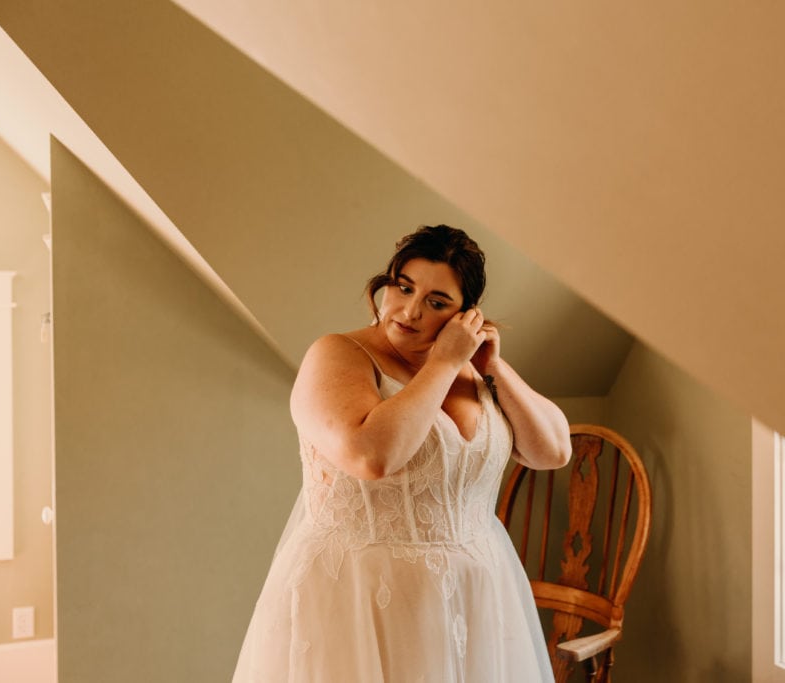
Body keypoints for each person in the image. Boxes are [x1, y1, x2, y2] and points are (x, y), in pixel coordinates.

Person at [233, 224, 571, 682]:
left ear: (465, 315)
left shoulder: (476, 370)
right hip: (361, 601)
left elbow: (552, 451)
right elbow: (372, 456)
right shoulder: (337, 354)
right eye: (403, 287)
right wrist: (444, 363)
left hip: (477, 599)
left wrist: (492, 367)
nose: (409, 311)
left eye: (436, 302)